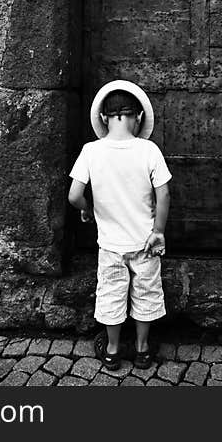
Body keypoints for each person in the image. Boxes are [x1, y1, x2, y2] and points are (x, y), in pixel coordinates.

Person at [68, 80, 171, 370]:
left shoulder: (91, 151)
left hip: (111, 246)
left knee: (112, 294)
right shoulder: (149, 150)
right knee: (146, 293)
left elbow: (74, 195)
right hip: (145, 243)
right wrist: (158, 231)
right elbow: (164, 193)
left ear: (103, 118)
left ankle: (112, 350)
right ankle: (142, 349)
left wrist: (87, 209)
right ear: (138, 117)